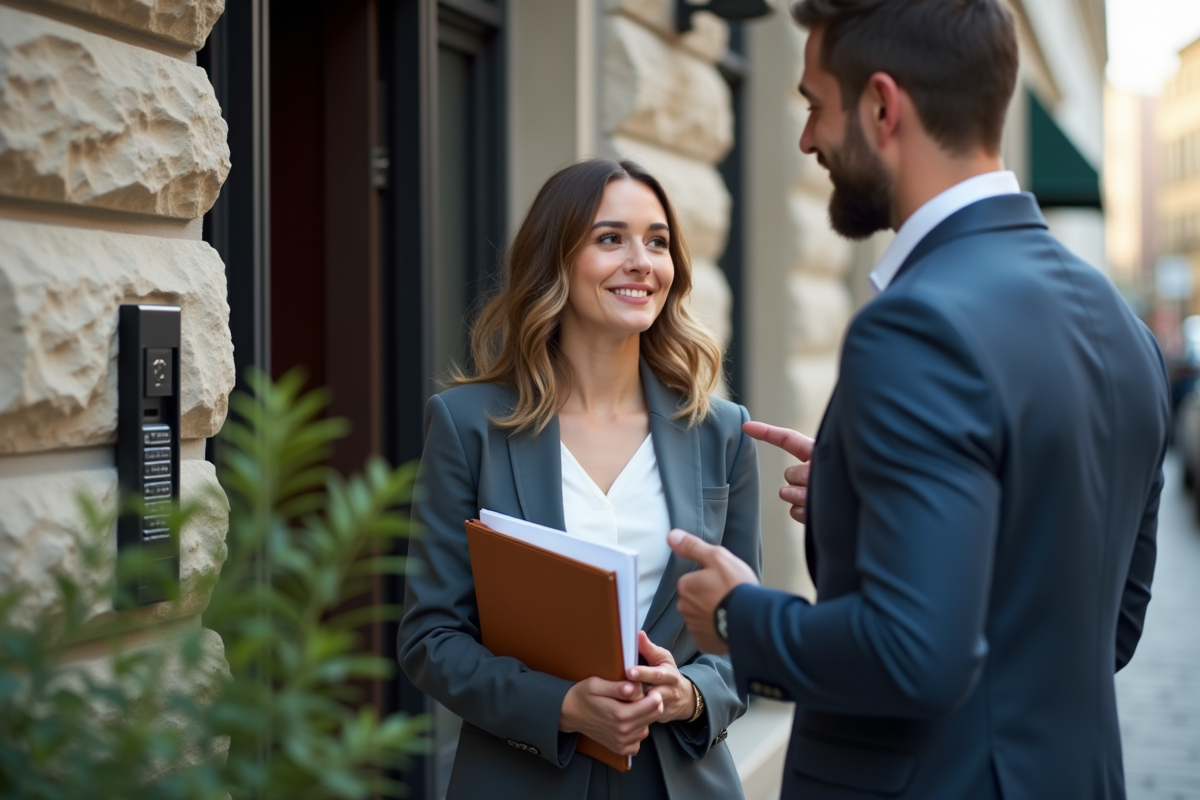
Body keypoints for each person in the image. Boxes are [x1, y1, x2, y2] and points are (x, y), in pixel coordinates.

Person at [667, 1, 1170, 798]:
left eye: (813, 106)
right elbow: (1104, 628)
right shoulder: (1122, 326)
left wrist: (738, 617)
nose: (806, 140)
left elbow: (917, 655)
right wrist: (859, 493)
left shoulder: (914, 324)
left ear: (880, 106)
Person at [398, 158, 760, 799]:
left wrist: (691, 694)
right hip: (525, 776)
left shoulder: (721, 432)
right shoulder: (467, 425)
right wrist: (562, 705)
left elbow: (746, 631)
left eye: (657, 241)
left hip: (680, 778)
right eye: (610, 238)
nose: (641, 261)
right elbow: (431, 639)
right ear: (555, 259)